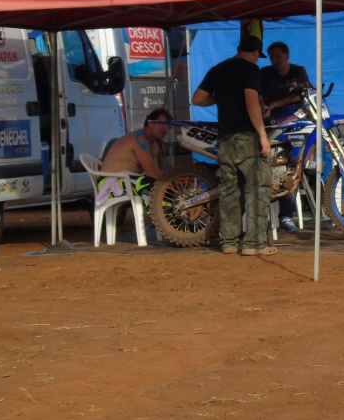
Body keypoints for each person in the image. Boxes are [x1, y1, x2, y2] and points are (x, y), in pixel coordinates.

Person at [192, 35, 275, 256]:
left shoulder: (218, 69)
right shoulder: (251, 70)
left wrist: (222, 98)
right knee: (257, 189)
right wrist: (262, 135)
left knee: (230, 191)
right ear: (256, 52)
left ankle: (229, 242)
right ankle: (254, 244)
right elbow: (251, 102)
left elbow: (198, 99)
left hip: (225, 138)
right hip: (246, 136)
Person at [259, 41, 309, 232]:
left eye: (278, 56)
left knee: (296, 165)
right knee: (280, 168)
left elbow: (303, 95)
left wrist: (275, 103)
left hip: (297, 125)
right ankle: (281, 215)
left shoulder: (299, 71)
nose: (275, 61)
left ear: (287, 55)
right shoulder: (264, 74)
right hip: (273, 125)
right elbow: (255, 95)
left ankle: (289, 214)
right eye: (272, 58)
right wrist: (266, 106)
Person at [97, 107, 172, 204]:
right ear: (150, 123)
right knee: (148, 185)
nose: (166, 129)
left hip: (127, 181)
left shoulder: (154, 145)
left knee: (164, 189)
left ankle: (171, 217)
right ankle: (161, 216)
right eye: (162, 124)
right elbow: (152, 172)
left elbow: (156, 173)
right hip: (109, 185)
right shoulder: (139, 139)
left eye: (168, 126)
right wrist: (173, 182)